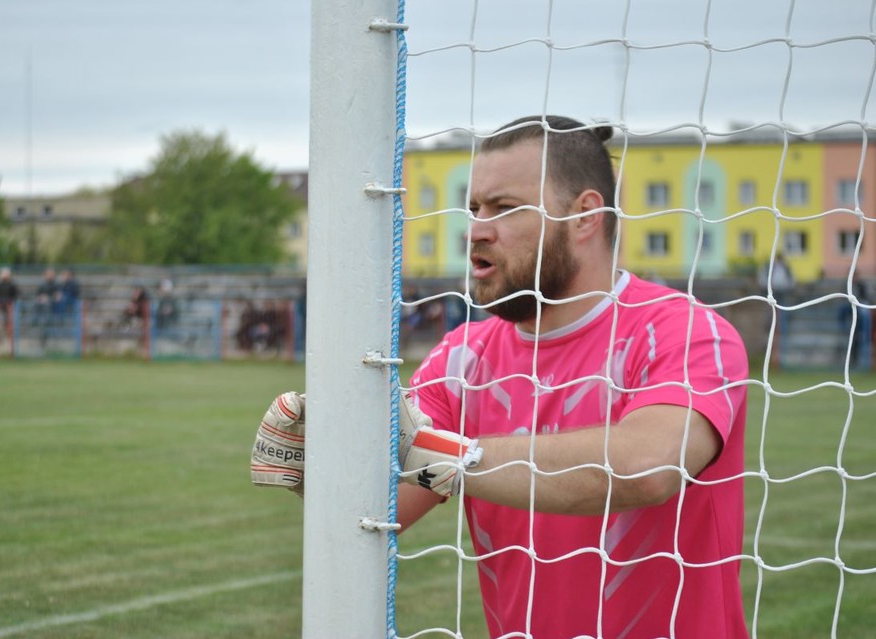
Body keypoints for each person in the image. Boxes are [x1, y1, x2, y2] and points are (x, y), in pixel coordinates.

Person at [251, 115, 750, 638]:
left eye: (505, 209)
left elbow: (644, 468)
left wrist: (443, 456)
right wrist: (323, 471)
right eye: (474, 209)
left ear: (585, 217)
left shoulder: (688, 333)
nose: (477, 230)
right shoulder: (462, 360)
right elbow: (384, 502)